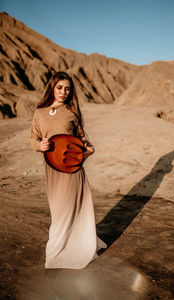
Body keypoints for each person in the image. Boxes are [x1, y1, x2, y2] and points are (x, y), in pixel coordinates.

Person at [29, 71, 106, 269]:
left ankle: (54, 255)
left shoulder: (72, 113)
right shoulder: (39, 112)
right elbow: (33, 138)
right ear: (52, 88)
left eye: (67, 88)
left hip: (72, 169)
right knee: (58, 210)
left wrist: (89, 148)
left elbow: (82, 137)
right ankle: (69, 245)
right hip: (51, 169)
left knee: (68, 210)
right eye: (59, 87)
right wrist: (40, 146)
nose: (63, 92)